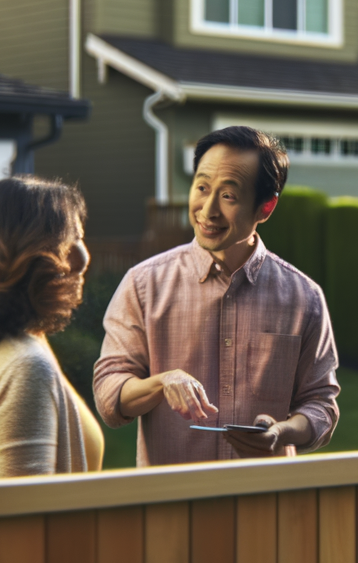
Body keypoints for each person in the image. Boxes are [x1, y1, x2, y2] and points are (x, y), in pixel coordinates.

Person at [94, 126, 340, 465]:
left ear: (265, 208)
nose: (208, 210)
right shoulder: (142, 284)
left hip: (267, 505)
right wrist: (163, 382)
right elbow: (110, 396)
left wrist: (282, 432)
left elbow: (322, 404)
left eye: (228, 196)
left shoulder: (304, 297)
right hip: (174, 503)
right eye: (202, 188)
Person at [0, 176, 103, 479]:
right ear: (25, 256)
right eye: (69, 242)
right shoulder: (25, 368)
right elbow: (26, 519)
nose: (83, 258)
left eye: (82, 237)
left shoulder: (9, 345)